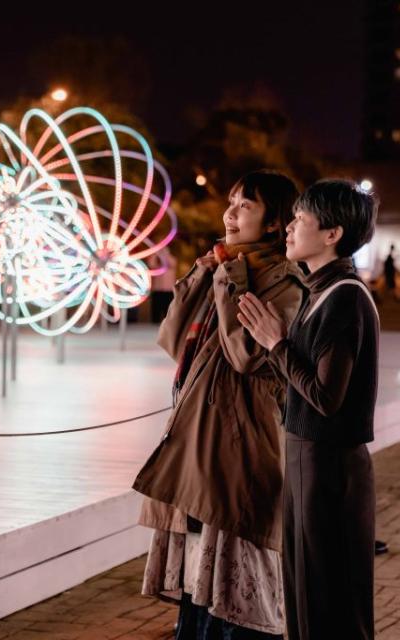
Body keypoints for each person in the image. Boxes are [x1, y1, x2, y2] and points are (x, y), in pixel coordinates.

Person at [132, 170, 307, 639]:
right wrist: (204, 273)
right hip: (198, 440)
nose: (230, 213)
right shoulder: (225, 267)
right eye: (230, 202)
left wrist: (231, 280)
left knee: (237, 589)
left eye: (245, 206)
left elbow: (246, 355)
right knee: (197, 584)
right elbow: (172, 339)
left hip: (240, 448)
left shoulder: (282, 283)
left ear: (274, 223)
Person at [238, 179, 379, 640]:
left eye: (301, 219)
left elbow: (324, 397)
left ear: (332, 233)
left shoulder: (345, 298)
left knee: (332, 601)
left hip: (330, 466)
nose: (290, 228)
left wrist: (277, 344)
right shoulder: (317, 292)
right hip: (305, 459)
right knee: (305, 597)